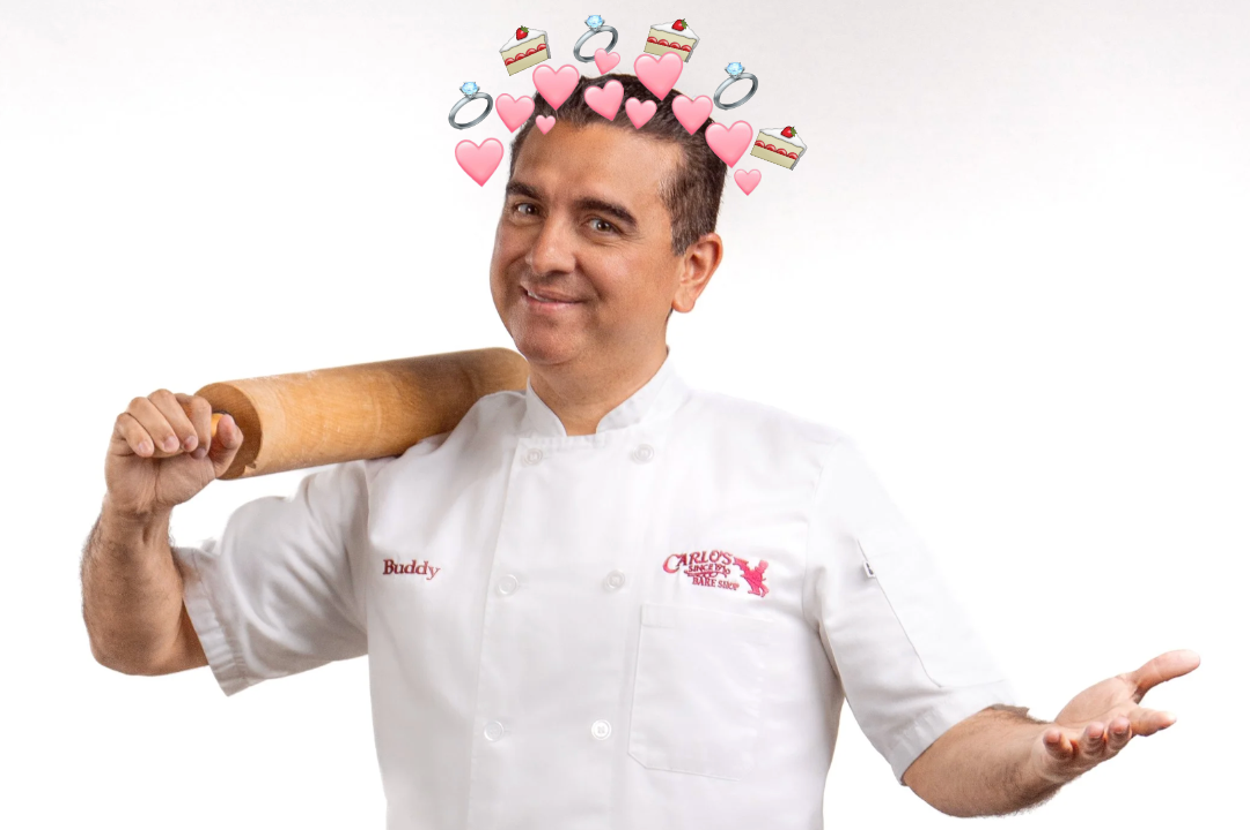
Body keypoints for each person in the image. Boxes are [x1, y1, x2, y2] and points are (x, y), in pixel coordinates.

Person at [81, 72, 1199, 828]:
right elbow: (154, 637)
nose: (543, 253)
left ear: (693, 269)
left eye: (601, 223)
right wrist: (136, 514)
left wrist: (1048, 748)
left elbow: (946, 744)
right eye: (526, 208)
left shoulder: (799, 477)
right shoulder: (395, 483)